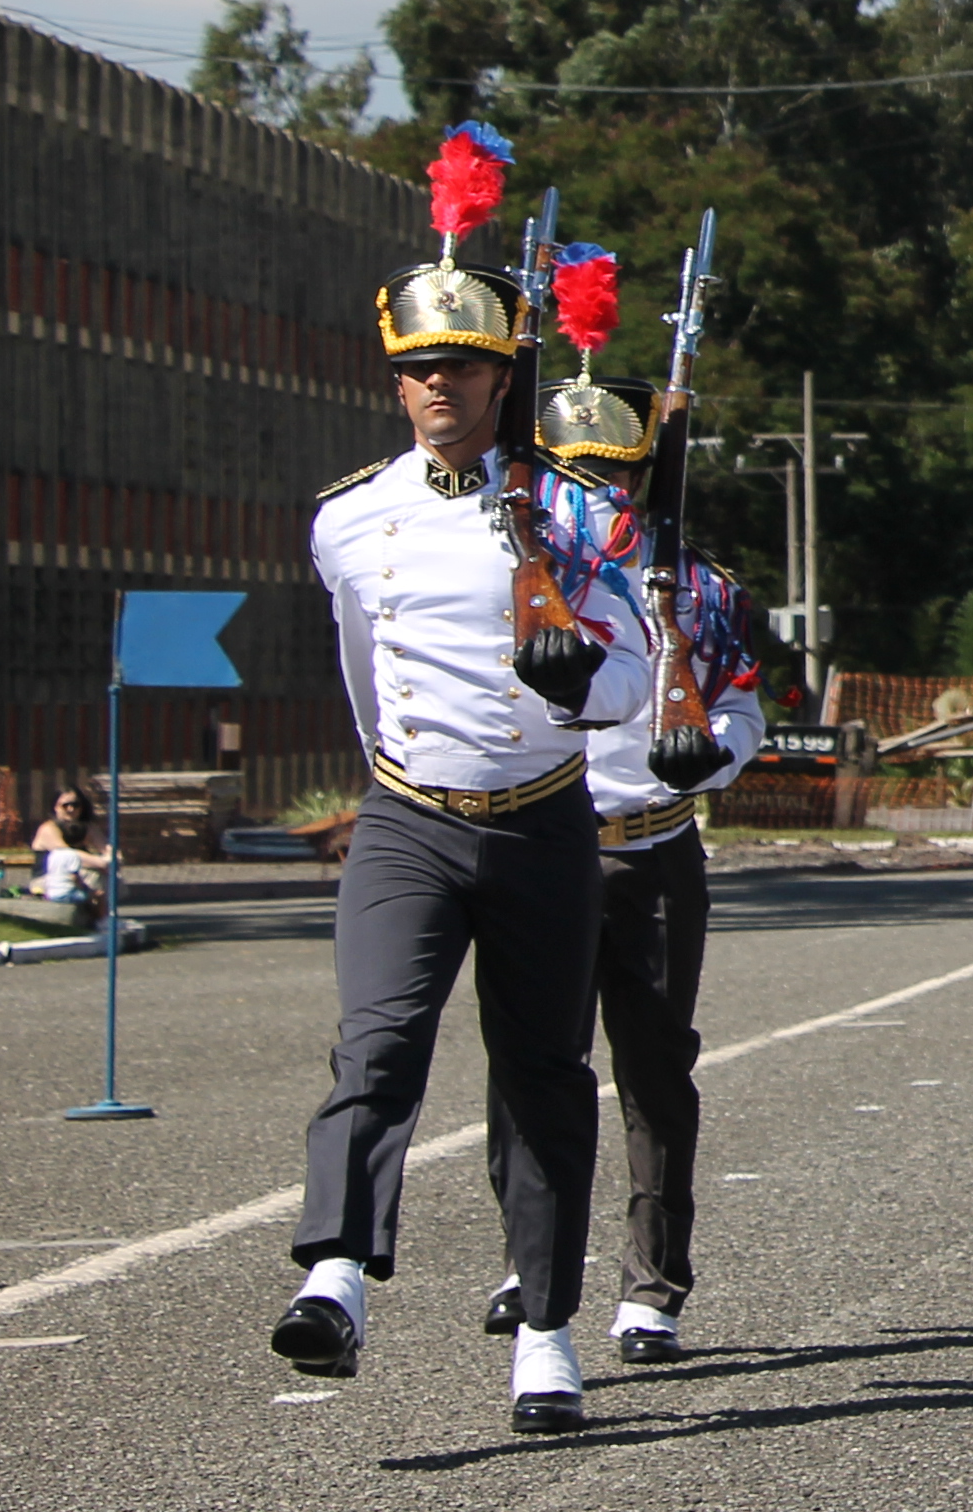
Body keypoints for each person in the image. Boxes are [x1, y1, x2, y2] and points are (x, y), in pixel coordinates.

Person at [276, 155, 655, 1435]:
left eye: (464, 368)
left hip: (543, 816)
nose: (439, 387)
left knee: (544, 1070)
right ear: (397, 380)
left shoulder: (574, 510)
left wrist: (578, 672)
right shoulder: (347, 517)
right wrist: (400, 783)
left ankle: (544, 1327)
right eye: (419, 369)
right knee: (377, 1042)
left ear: (504, 379)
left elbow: (636, 676)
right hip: (408, 813)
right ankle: (336, 1269)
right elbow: (361, 676)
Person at [479, 361, 767, 1367]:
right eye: (575, 467)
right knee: (529, 1065)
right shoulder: (515, 568)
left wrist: (713, 753)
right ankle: (533, 1256)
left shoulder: (700, 584)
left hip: (651, 849)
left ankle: (653, 1284)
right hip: (545, 845)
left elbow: (741, 702)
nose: (597, 489)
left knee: (654, 1072)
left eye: (615, 469)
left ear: (644, 474)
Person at [24, 787, 111, 906]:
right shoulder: (48, 829)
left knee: (107, 876)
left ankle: (103, 916)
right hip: (48, 879)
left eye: (75, 805)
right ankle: (99, 918)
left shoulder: (88, 827)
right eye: (65, 805)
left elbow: (106, 847)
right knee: (93, 875)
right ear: (55, 807)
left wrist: (113, 858)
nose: (71, 809)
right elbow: (69, 855)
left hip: (75, 875)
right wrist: (102, 863)